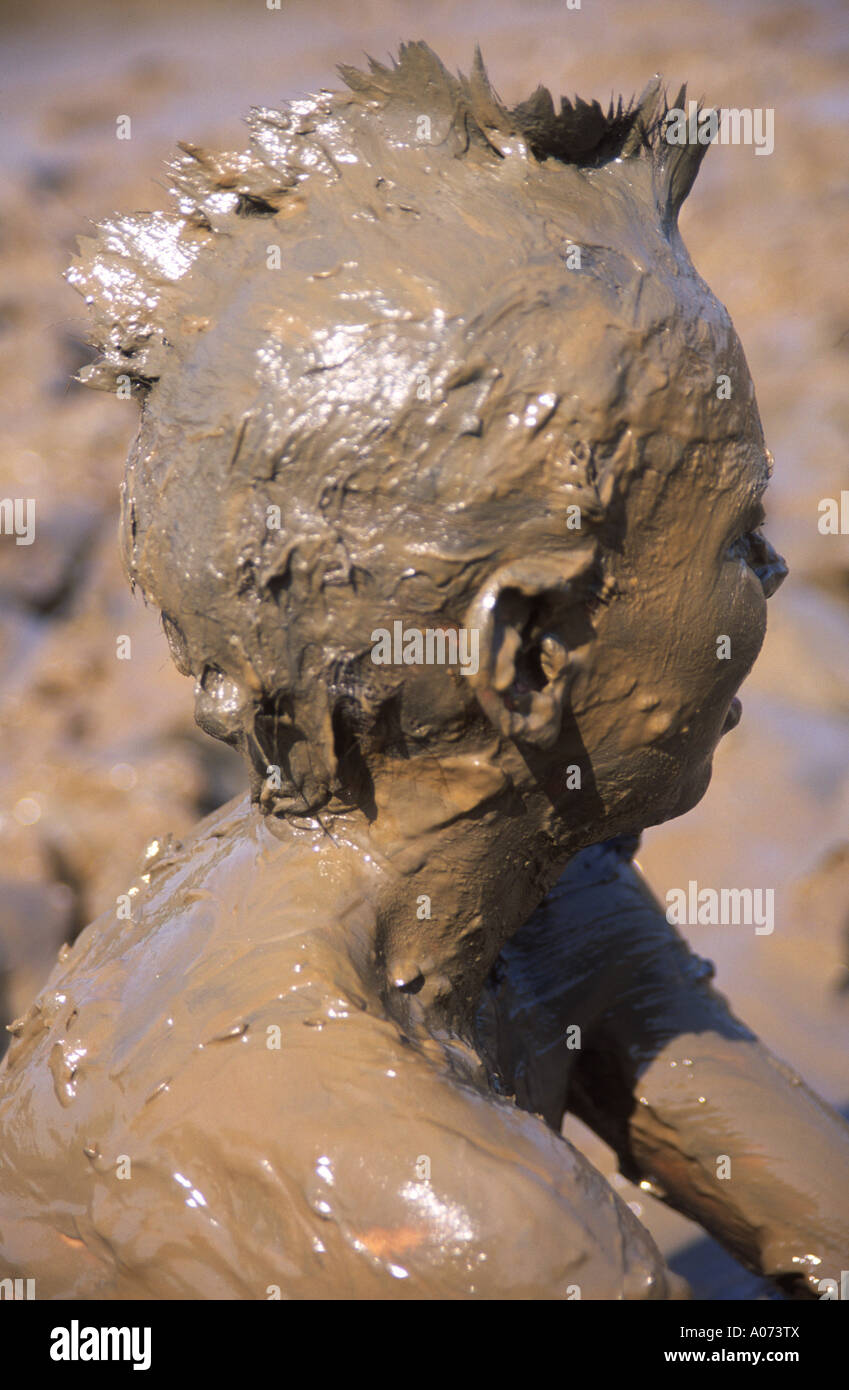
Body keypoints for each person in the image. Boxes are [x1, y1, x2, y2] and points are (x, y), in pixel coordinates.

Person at [0, 42, 845, 1299]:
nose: (773, 579)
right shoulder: (470, 1224)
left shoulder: (525, 896)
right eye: (736, 539)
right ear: (529, 657)